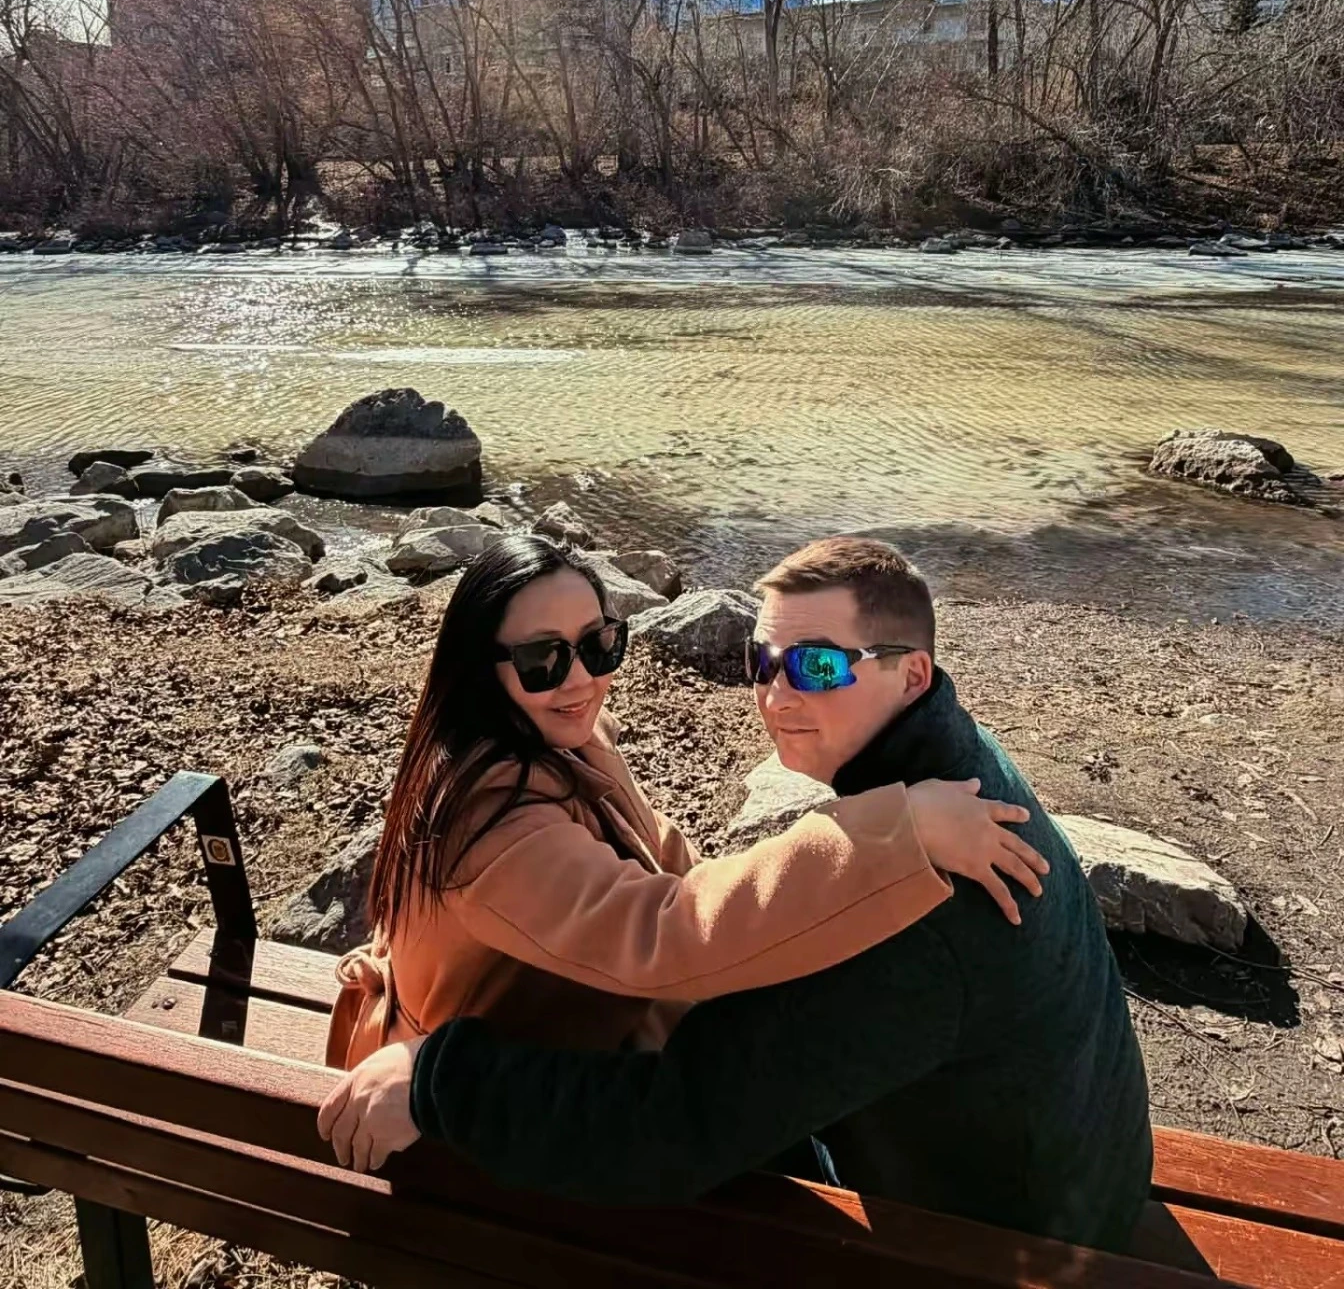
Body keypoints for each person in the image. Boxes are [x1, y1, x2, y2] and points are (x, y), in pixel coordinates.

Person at [319, 536, 1153, 1255]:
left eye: (818, 665)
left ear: (913, 676)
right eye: (763, 663)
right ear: (482, 667)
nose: (777, 695)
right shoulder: (958, 772)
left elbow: (674, 1101)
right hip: (459, 1103)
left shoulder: (928, 896)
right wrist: (440, 1081)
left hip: (1001, 1248)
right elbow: (666, 940)